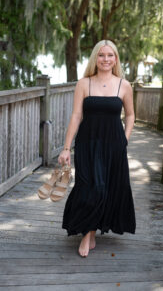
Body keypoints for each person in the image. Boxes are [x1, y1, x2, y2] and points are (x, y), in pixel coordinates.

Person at [58, 39, 136, 257]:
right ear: (95, 58)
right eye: (101, 55)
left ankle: (88, 232)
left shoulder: (124, 85)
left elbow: (130, 115)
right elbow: (76, 116)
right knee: (90, 186)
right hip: (87, 143)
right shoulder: (84, 84)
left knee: (104, 187)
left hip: (113, 144)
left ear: (116, 59)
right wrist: (66, 148)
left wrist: (125, 139)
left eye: (110, 55)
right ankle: (88, 232)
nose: (106, 59)